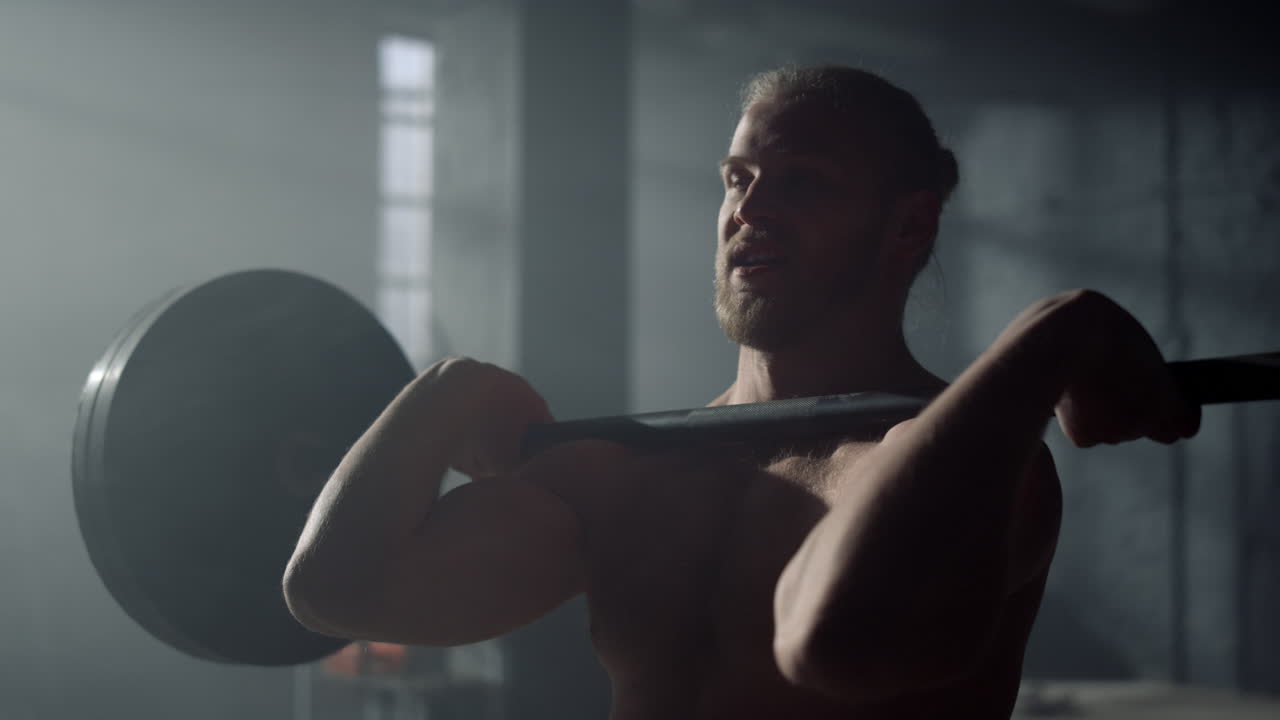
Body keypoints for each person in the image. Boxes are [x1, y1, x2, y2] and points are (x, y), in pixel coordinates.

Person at [282, 65, 1200, 718]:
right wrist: (445, 393)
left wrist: (1053, 340)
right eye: (738, 179)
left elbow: (837, 643)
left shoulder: (976, 468)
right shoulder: (627, 474)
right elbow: (336, 592)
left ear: (909, 225)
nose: (751, 210)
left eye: (803, 184)